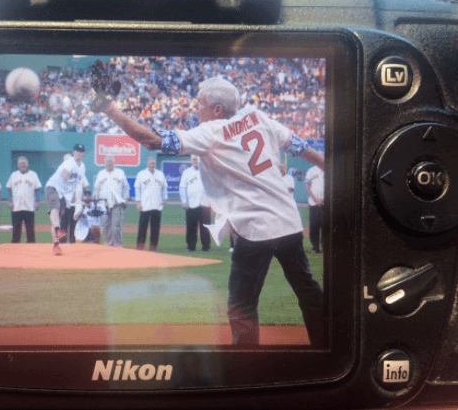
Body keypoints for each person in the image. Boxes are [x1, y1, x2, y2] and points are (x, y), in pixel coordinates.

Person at [94, 75, 326, 347]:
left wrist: (109, 109)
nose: (196, 107)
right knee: (308, 290)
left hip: (254, 229)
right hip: (288, 222)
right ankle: (328, 353)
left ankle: (246, 367)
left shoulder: (210, 132)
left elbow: (152, 141)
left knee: (242, 304)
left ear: (217, 109)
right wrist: (328, 165)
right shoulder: (258, 116)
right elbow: (298, 146)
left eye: (200, 102)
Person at [44, 144, 87, 255]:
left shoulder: (82, 167)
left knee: (56, 218)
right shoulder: (70, 162)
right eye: (77, 150)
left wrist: (73, 195)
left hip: (63, 193)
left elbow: (77, 182)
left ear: (84, 154)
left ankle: (56, 245)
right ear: (73, 152)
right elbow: (64, 174)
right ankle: (58, 230)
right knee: (55, 208)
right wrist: (66, 179)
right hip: (53, 187)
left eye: (81, 151)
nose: (79, 153)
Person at [93, 155, 130, 248]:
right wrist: (96, 202)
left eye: (111, 161)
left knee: (116, 226)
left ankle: (117, 244)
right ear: (105, 163)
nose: (109, 163)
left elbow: (126, 187)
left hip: (117, 203)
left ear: (114, 162)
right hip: (103, 204)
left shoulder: (120, 172)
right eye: (107, 161)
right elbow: (96, 189)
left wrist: (125, 199)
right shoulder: (101, 173)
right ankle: (108, 244)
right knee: (105, 225)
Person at [134, 157, 168, 251]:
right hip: (145, 205)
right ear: (147, 163)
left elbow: (164, 187)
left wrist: (165, 198)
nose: (152, 164)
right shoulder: (141, 174)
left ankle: (153, 247)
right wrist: (138, 202)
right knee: (142, 228)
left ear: (155, 164)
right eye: (150, 163)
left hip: (157, 206)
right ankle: (140, 247)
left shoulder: (160, 174)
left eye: (153, 163)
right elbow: (137, 188)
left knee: (155, 229)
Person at [6, 156, 42, 243]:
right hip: (16, 206)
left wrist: (37, 202)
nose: (23, 165)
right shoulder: (14, 175)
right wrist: (10, 201)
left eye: (24, 163)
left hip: (29, 206)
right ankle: (15, 247)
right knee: (16, 229)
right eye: (21, 164)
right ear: (18, 165)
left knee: (30, 229)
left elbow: (37, 190)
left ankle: (31, 246)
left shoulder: (33, 174)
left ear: (27, 164)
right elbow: (9, 189)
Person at [179, 155, 211, 252]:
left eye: (197, 159)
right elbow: (182, 188)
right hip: (191, 204)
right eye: (194, 159)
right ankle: (191, 247)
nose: (195, 161)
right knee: (191, 227)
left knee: (206, 227)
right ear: (191, 161)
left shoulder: (207, 171)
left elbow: (213, 187)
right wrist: (184, 202)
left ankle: (206, 247)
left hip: (205, 204)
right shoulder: (187, 172)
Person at [305, 162, 325, 254]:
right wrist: (316, 200)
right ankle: (315, 247)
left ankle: (325, 247)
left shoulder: (329, 170)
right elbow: (308, 187)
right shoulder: (311, 171)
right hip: (314, 203)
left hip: (326, 203)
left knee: (326, 225)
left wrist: (324, 200)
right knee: (314, 225)